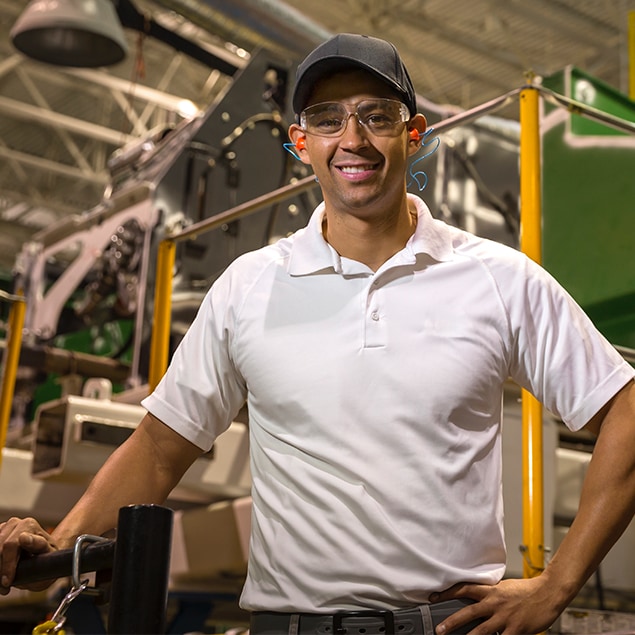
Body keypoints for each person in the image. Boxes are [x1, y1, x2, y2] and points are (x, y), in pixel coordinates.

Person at [1, 32, 635, 635]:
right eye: (329, 119)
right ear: (300, 143)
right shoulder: (249, 286)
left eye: (376, 116)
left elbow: (625, 408)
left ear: (413, 136)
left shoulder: (499, 279)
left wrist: (558, 583)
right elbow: (161, 447)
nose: (352, 138)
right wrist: (58, 546)